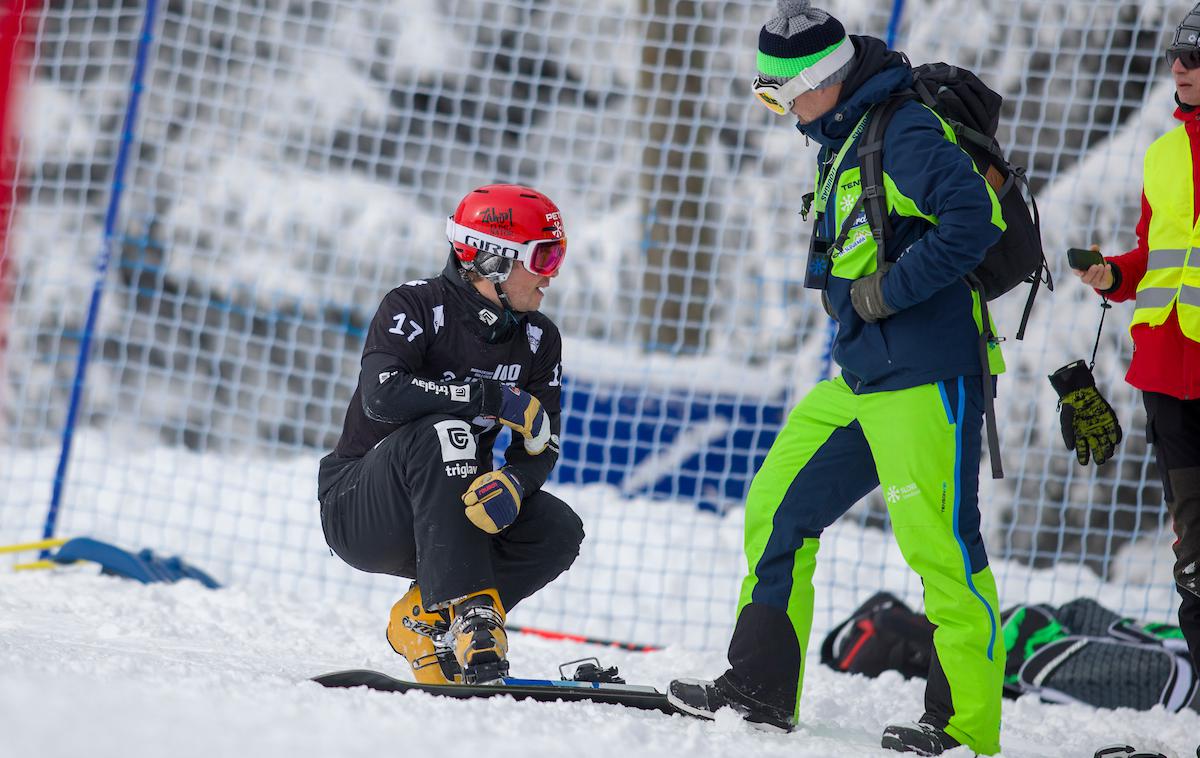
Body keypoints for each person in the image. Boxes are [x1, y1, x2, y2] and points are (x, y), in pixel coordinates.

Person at [667, 1, 1009, 754]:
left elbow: (973, 222)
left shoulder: (904, 130)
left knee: (942, 550)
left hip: (925, 376)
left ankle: (963, 729)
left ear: (820, 79)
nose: (778, 108)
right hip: (861, 376)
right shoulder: (841, 134)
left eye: (780, 92)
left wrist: (886, 292)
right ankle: (759, 688)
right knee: (776, 506)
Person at [317, 183, 584, 686]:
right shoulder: (412, 306)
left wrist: (515, 483)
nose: (552, 276)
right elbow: (382, 395)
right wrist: (485, 398)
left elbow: (542, 443)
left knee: (558, 528)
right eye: (544, 258)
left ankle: (421, 619)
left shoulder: (538, 338)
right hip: (361, 507)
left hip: (447, 520)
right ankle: (472, 613)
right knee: (445, 429)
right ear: (493, 261)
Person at [1068, 1, 1200, 689]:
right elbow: (1161, 254)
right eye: (1177, 53)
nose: (1180, 66)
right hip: (1170, 382)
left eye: (1196, 56)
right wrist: (1116, 273)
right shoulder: (1165, 152)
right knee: (1196, 566)